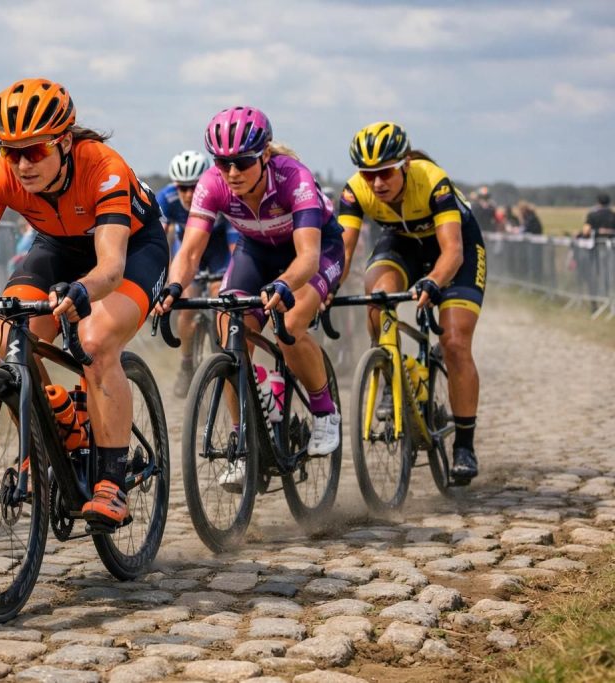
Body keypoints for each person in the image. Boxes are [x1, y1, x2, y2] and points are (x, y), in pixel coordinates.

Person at [0, 78, 168, 527]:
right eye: (10, 151)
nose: (21, 164)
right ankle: (50, 428)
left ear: (64, 142)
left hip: (130, 249)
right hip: (58, 246)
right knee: (9, 332)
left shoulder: (103, 167)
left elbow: (109, 266)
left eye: (34, 151)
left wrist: (84, 292)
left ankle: (110, 480)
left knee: (96, 338)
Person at [155, 106, 345, 489]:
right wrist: (173, 286)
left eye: (242, 163)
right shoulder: (213, 184)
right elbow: (190, 251)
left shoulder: (295, 178)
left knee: (289, 325)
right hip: (256, 252)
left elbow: (307, 257)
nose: (232, 173)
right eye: (223, 163)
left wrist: (285, 285)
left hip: (314, 253)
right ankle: (244, 441)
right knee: (230, 331)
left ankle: (325, 412)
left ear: (266, 156)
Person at [338, 121, 486, 483]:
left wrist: (434, 282)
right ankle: (390, 373)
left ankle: (464, 445)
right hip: (400, 243)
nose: (377, 183)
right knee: (378, 298)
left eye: (385, 172)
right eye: (368, 174)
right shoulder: (356, 191)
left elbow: (453, 252)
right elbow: (342, 252)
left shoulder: (432, 179)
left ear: (404, 163)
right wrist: (324, 289)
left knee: (453, 341)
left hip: (453, 249)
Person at [156, 150, 237, 397]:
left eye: (194, 187)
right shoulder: (167, 199)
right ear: (174, 186)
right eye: (183, 188)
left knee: (218, 295)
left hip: (220, 251)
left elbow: (236, 248)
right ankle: (186, 363)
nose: (189, 194)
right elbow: (161, 241)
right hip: (191, 252)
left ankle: (225, 355)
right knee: (186, 303)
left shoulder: (221, 194)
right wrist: (164, 279)